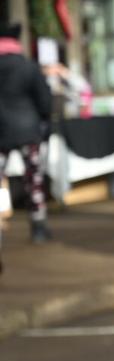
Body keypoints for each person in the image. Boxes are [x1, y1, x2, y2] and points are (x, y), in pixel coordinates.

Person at [0, 24, 54, 256]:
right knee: (34, 178)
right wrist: (44, 120)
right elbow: (45, 102)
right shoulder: (29, 67)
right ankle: (38, 225)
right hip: (27, 129)